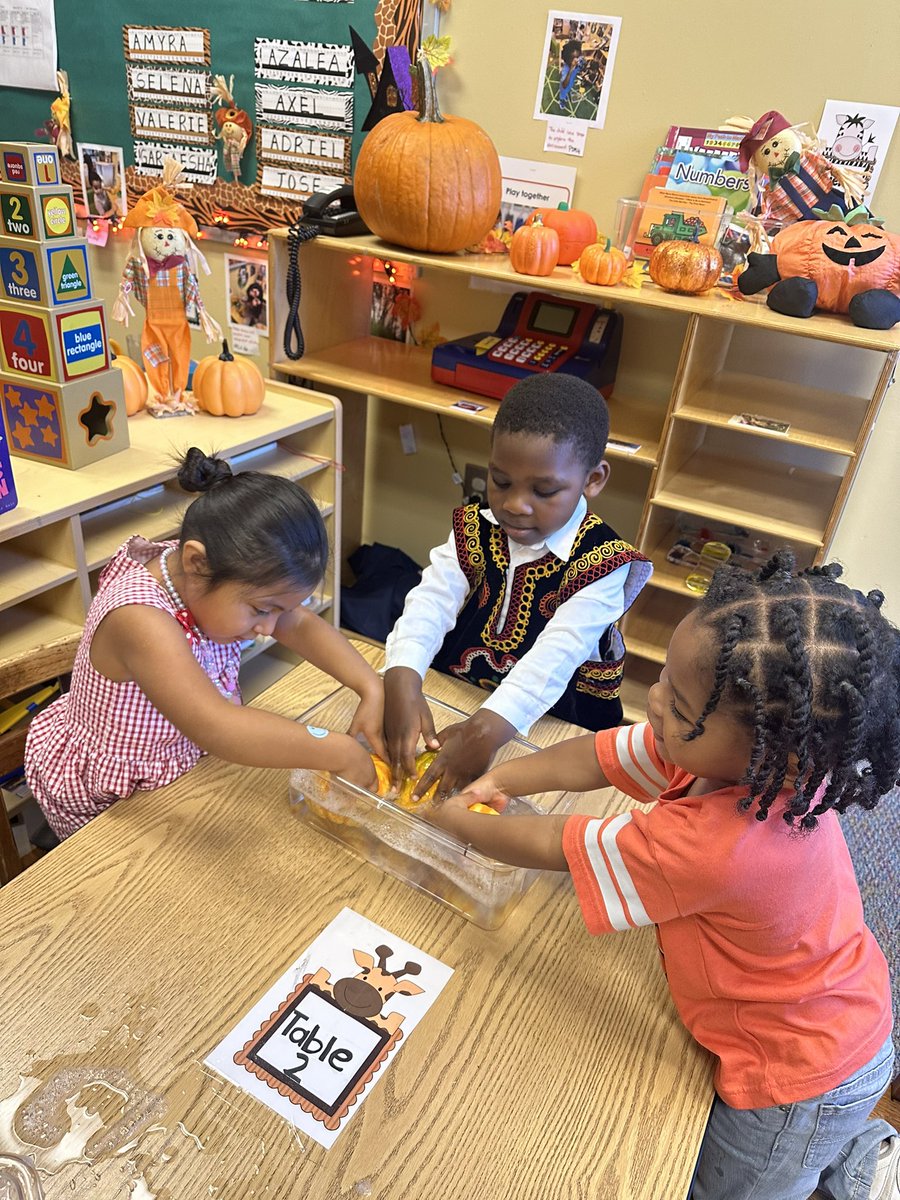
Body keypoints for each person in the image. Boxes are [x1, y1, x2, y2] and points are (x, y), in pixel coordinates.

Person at [428, 550, 899, 1200]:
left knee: (722, 1186)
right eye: (664, 681)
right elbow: (599, 757)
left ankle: (842, 1165)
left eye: (677, 707)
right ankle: (837, 1151)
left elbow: (557, 842)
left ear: (777, 758)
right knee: (805, 1147)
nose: (651, 702)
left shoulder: (726, 843)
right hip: (837, 1018)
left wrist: (458, 821)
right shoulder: (737, 755)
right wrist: (502, 775)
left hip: (798, 1069)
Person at [25, 449, 381, 839]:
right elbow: (217, 726)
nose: (270, 627)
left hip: (186, 764)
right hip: (110, 804)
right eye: (263, 610)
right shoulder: (139, 619)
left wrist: (369, 686)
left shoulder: (206, 576)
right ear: (197, 563)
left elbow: (299, 624)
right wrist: (337, 750)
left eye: (280, 611)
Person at [383, 374, 651, 798]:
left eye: (544, 490)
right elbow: (431, 602)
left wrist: (488, 729)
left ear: (593, 479)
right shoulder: (473, 528)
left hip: (555, 734)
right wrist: (402, 673)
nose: (514, 504)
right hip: (458, 699)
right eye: (500, 481)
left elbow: (554, 660)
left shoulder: (606, 566)